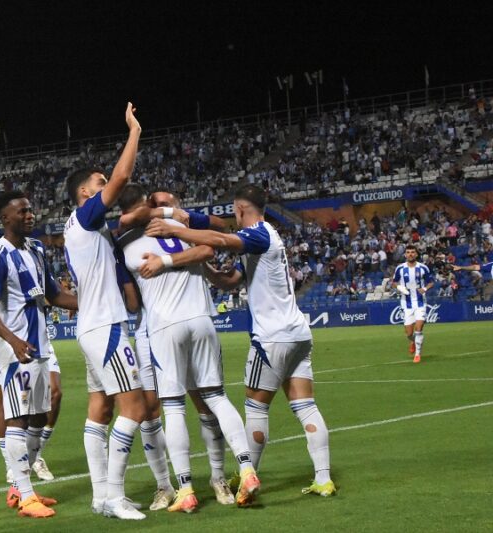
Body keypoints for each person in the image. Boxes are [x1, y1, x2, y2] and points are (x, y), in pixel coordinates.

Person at [146, 184, 336, 498]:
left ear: (239, 209)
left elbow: (220, 239)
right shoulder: (261, 241)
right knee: (305, 406)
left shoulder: (260, 233)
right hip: (298, 334)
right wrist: (201, 266)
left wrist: (172, 230)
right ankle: (324, 478)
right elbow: (232, 280)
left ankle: (248, 478)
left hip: (272, 337)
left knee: (256, 409)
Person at [119, 184, 259, 511]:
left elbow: (133, 300)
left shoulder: (125, 242)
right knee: (217, 397)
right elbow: (208, 250)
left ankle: (185, 490)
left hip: (164, 326)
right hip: (201, 320)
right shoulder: (184, 228)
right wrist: (172, 224)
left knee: (174, 407)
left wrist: (164, 260)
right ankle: (247, 468)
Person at [62, 102, 147, 520]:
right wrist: (134, 131)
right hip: (108, 328)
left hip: (91, 326)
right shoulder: (83, 217)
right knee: (135, 408)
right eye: (98, 183)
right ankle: (114, 495)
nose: (105, 185)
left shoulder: (84, 229)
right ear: (85, 194)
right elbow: (122, 177)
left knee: (101, 408)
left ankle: (100, 496)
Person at [0, 190, 78, 518]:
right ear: (5, 218)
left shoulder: (36, 249)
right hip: (15, 348)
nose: (29, 215)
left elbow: (54, 295)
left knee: (39, 414)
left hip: (40, 345)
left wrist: (95, 303)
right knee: (18, 418)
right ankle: (25, 496)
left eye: (30, 209)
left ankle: (24, 488)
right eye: (21, 212)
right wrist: (12, 340)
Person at [391, 245, 434, 363]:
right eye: (408, 252)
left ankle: (418, 354)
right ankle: (412, 341)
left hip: (420, 302)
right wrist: (400, 287)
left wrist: (425, 289)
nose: (410, 254)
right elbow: (393, 282)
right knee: (409, 333)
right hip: (406, 303)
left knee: (418, 329)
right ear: (405, 255)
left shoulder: (423, 268)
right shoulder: (400, 268)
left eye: (412, 252)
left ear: (416, 254)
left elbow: (431, 283)